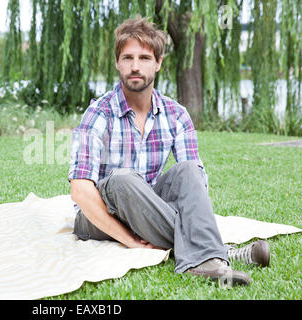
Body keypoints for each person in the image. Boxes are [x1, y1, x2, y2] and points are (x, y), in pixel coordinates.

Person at [68, 17, 270, 286]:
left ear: (159, 63)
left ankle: (208, 257)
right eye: (127, 57)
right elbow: (80, 191)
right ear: (117, 63)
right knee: (123, 179)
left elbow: (196, 186)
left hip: (148, 208)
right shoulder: (99, 113)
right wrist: (129, 241)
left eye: (144, 57)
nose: (135, 66)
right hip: (98, 215)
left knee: (189, 170)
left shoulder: (177, 115)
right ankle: (221, 253)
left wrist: (190, 214)